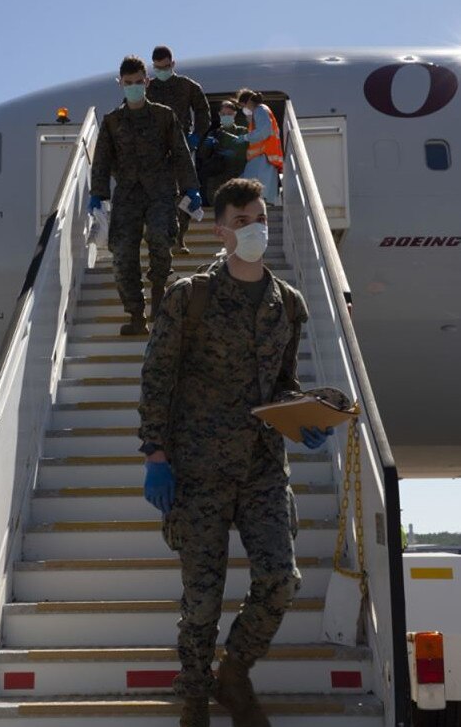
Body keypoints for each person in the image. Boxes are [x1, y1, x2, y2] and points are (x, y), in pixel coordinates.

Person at [138, 178, 333, 727]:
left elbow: (283, 383)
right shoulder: (189, 295)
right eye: (242, 221)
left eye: (260, 218)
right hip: (197, 470)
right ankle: (195, 698)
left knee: (279, 579)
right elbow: (157, 375)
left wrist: (306, 420)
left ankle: (235, 673)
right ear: (220, 229)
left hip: (264, 469)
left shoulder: (287, 305)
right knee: (201, 601)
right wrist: (155, 454)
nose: (255, 229)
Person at [89, 55, 199, 334]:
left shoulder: (164, 115)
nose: (135, 87)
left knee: (161, 240)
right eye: (129, 83)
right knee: (123, 253)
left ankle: (159, 300)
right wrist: (98, 194)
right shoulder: (112, 121)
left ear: (147, 82)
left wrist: (191, 187)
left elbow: (180, 153)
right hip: (127, 194)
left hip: (161, 191)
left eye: (139, 82)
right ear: (120, 84)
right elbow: (101, 160)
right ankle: (136, 314)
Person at [147, 45, 210, 254]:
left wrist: (197, 137)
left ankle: (180, 239)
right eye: (157, 68)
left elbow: (203, 112)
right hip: (155, 150)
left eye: (165, 67)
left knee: (185, 193)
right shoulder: (148, 87)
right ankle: (162, 239)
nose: (161, 71)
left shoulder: (188, 86)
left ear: (172, 64)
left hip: (183, 145)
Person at [231, 90, 284, 206]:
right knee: (255, 192)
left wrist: (245, 137)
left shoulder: (259, 110)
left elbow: (263, 132)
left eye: (242, 106)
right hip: (264, 159)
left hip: (262, 159)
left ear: (247, 103)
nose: (243, 110)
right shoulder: (261, 111)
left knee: (254, 193)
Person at [197, 100, 247, 205]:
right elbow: (202, 155)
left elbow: (245, 150)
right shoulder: (213, 133)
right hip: (216, 181)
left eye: (229, 114)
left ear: (235, 114)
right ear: (219, 115)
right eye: (223, 114)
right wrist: (208, 144)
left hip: (236, 178)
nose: (226, 117)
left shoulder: (242, 131)